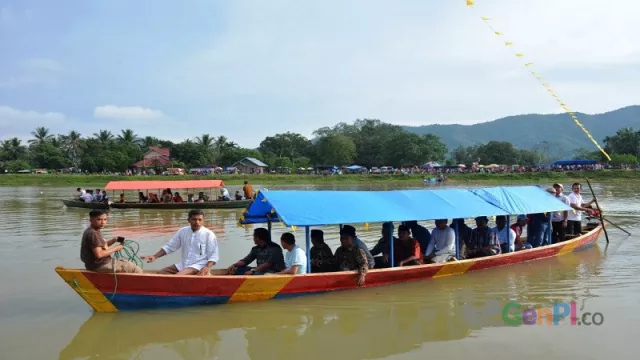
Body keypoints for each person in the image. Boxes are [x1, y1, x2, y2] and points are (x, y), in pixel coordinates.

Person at [142, 209, 218, 276]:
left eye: (200, 220)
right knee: (162, 273)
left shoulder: (209, 234)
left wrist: (207, 267)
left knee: (178, 276)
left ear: (203, 220)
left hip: (199, 265)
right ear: (189, 220)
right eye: (194, 219)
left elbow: (214, 255)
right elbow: (170, 247)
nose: (197, 222)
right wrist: (155, 256)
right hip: (183, 264)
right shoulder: (183, 231)